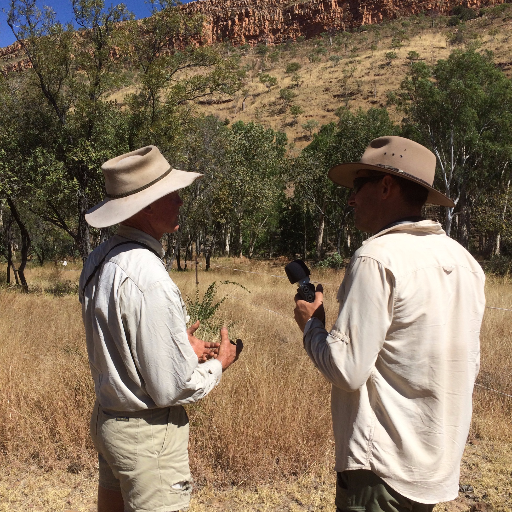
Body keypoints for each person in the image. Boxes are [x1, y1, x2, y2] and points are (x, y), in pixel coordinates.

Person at [293, 136, 485, 512]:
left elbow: (347, 371)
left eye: (357, 186)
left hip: (381, 468)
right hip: (434, 467)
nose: (350, 199)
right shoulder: (465, 262)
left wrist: (310, 326)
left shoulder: (375, 259)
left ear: (385, 186)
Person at [79, 146, 242, 512]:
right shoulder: (149, 276)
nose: (181, 201)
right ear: (148, 205)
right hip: (147, 436)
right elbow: (171, 387)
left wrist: (178, 347)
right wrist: (218, 364)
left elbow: (118, 341)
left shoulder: (98, 259)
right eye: (172, 193)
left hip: (110, 422)